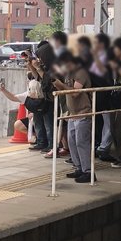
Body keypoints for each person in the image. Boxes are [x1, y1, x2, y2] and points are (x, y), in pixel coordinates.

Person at [53, 51, 95, 184]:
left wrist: (60, 84)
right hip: (73, 114)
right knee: (72, 142)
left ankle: (88, 171)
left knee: (81, 142)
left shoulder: (81, 72)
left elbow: (75, 93)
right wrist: (56, 84)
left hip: (83, 112)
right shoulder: (68, 74)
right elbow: (65, 90)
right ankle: (79, 168)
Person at [26, 43, 54, 152]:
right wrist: (31, 66)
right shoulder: (43, 65)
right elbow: (37, 77)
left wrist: (38, 67)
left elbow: (47, 81)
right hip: (40, 98)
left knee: (48, 124)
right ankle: (41, 142)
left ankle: (51, 145)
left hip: (49, 99)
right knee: (39, 122)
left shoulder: (53, 67)